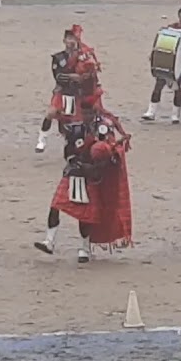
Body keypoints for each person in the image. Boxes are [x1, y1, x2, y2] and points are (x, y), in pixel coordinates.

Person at [33, 89, 133, 263]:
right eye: (84, 112)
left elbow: (110, 153)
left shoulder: (104, 128)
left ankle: (84, 248)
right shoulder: (76, 129)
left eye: (89, 113)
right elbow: (68, 151)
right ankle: (49, 241)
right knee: (56, 205)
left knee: (85, 214)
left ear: (94, 112)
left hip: (93, 176)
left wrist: (97, 165)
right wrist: (75, 162)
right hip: (74, 171)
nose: (86, 116)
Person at [36, 24, 100, 153]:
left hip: (78, 93)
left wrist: (87, 75)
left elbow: (91, 75)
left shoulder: (85, 56)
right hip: (63, 91)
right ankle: (42, 139)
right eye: (69, 39)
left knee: (82, 118)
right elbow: (59, 77)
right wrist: (74, 77)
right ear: (64, 40)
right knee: (51, 113)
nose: (71, 42)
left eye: (74, 39)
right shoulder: (59, 58)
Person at [144, 0, 181, 123]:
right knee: (158, 85)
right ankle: (151, 111)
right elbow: (161, 43)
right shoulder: (171, 28)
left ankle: (175, 115)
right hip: (167, 62)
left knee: (178, 91)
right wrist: (155, 56)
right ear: (178, 15)